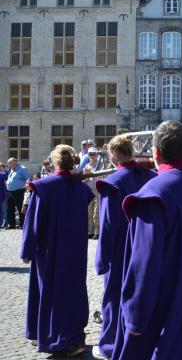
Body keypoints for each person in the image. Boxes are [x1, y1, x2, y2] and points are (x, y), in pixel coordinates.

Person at [112, 121, 182, 359]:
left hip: (171, 314)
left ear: (155, 152)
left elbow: (144, 263)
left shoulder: (153, 194)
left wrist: (135, 317)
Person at [21, 145, 93, 356]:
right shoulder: (81, 189)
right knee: (73, 291)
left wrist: (27, 249)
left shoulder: (43, 187)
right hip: (76, 250)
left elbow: (33, 222)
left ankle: (53, 337)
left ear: (55, 162)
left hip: (49, 250)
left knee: (50, 292)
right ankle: (75, 338)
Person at [92, 135, 156, 360]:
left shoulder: (114, 182)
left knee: (115, 297)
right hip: (148, 245)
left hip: (122, 249)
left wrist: (102, 258)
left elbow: (108, 224)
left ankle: (111, 344)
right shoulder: (151, 176)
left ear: (115, 155)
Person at [6, 157, 30, 229]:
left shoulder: (22, 169)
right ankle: (11, 224)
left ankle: (22, 224)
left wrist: (27, 188)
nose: (8, 164)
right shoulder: (12, 169)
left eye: (10, 163)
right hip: (10, 192)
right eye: (8, 163)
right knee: (10, 209)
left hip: (19, 192)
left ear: (15, 162)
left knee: (20, 208)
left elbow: (28, 178)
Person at [83, 147, 100, 238]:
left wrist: (92, 173)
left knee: (96, 212)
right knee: (89, 211)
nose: (92, 156)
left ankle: (97, 231)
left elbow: (102, 177)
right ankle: (90, 231)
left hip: (97, 190)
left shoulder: (100, 165)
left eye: (93, 154)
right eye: (90, 154)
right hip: (89, 190)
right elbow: (84, 180)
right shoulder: (86, 166)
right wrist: (85, 176)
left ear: (97, 155)